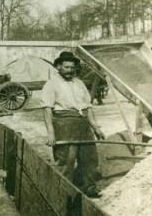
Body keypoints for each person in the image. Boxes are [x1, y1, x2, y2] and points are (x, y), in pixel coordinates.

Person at [41, 51, 105, 198]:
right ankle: (64, 193)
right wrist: (51, 132)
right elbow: (47, 109)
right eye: (67, 67)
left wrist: (95, 127)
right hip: (64, 124)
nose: (70, 70)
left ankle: (89, 187)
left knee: (89, 158)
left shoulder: (79, 83)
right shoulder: (51, 85)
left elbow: (87, 106)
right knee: (66, 161)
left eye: (72, 67)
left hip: (83, 125)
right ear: (58, 67)